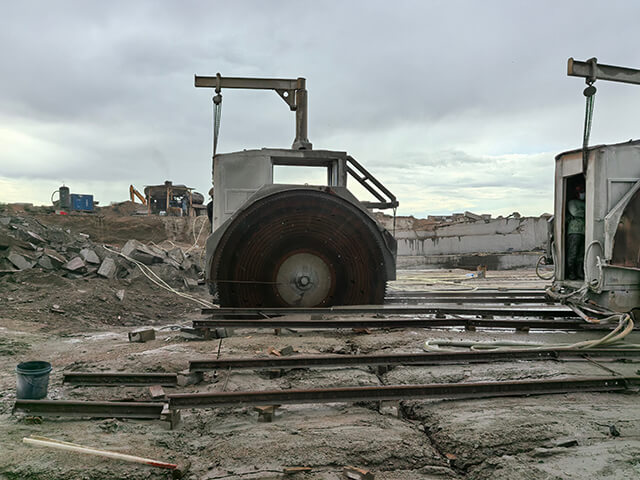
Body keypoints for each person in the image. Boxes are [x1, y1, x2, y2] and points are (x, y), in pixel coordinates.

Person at [566, 184, 585, 280]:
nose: (583, 194)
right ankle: (571, 273)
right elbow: (575, 212)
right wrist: (585, 212)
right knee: (573, 253)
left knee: (581, 254)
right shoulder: (572, 202)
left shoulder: (584, 203)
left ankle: (579, 272)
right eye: (581, 192)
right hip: (574, 231)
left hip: (583, 231)